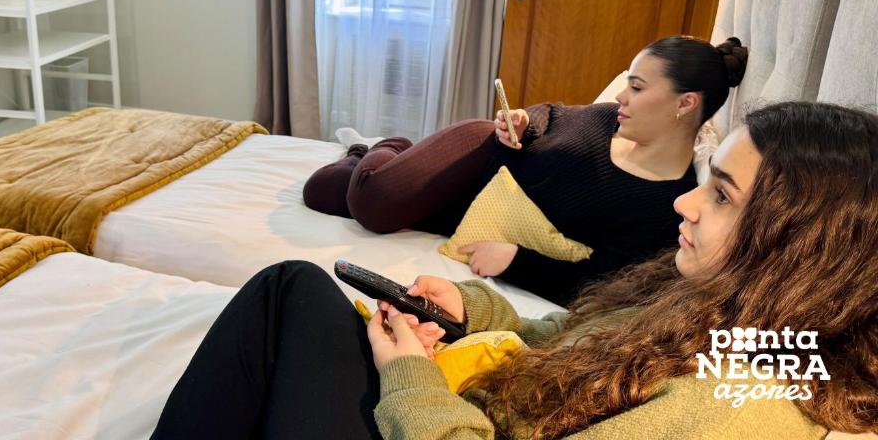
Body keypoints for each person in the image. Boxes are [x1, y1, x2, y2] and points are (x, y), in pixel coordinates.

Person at [152, 101, 878, 440]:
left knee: (289, 295)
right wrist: (478, 312)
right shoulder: (735, 315)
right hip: (480, 412)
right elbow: (590, 342)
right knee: (296, 292)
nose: (686, 202)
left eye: (721, 194)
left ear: (800, 245)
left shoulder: (733, 407)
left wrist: (410, 378)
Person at [303, 35, 749, 304]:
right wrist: (521, 121)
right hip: (474, 153)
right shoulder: (606, 118)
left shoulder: (664, 207)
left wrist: (516, 260)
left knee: (322, 190)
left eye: (636, 87)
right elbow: (550, 115)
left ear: (685, 103)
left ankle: (370, 155)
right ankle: (389, 147)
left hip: (463, 213)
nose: (623, 98)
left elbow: (602, 279)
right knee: (371, 202)